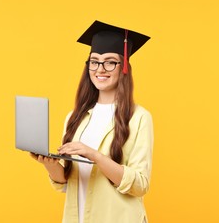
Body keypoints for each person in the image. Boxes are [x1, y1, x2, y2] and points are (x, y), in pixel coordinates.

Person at [30, 20, 154, 223]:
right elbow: (64, 181)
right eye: (94, 61)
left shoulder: (139, 117)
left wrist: (95, 155)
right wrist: (50, 164)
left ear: (123, 68)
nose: (100, 69)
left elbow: (140, 185)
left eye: (110, 62)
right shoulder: (74, 117)